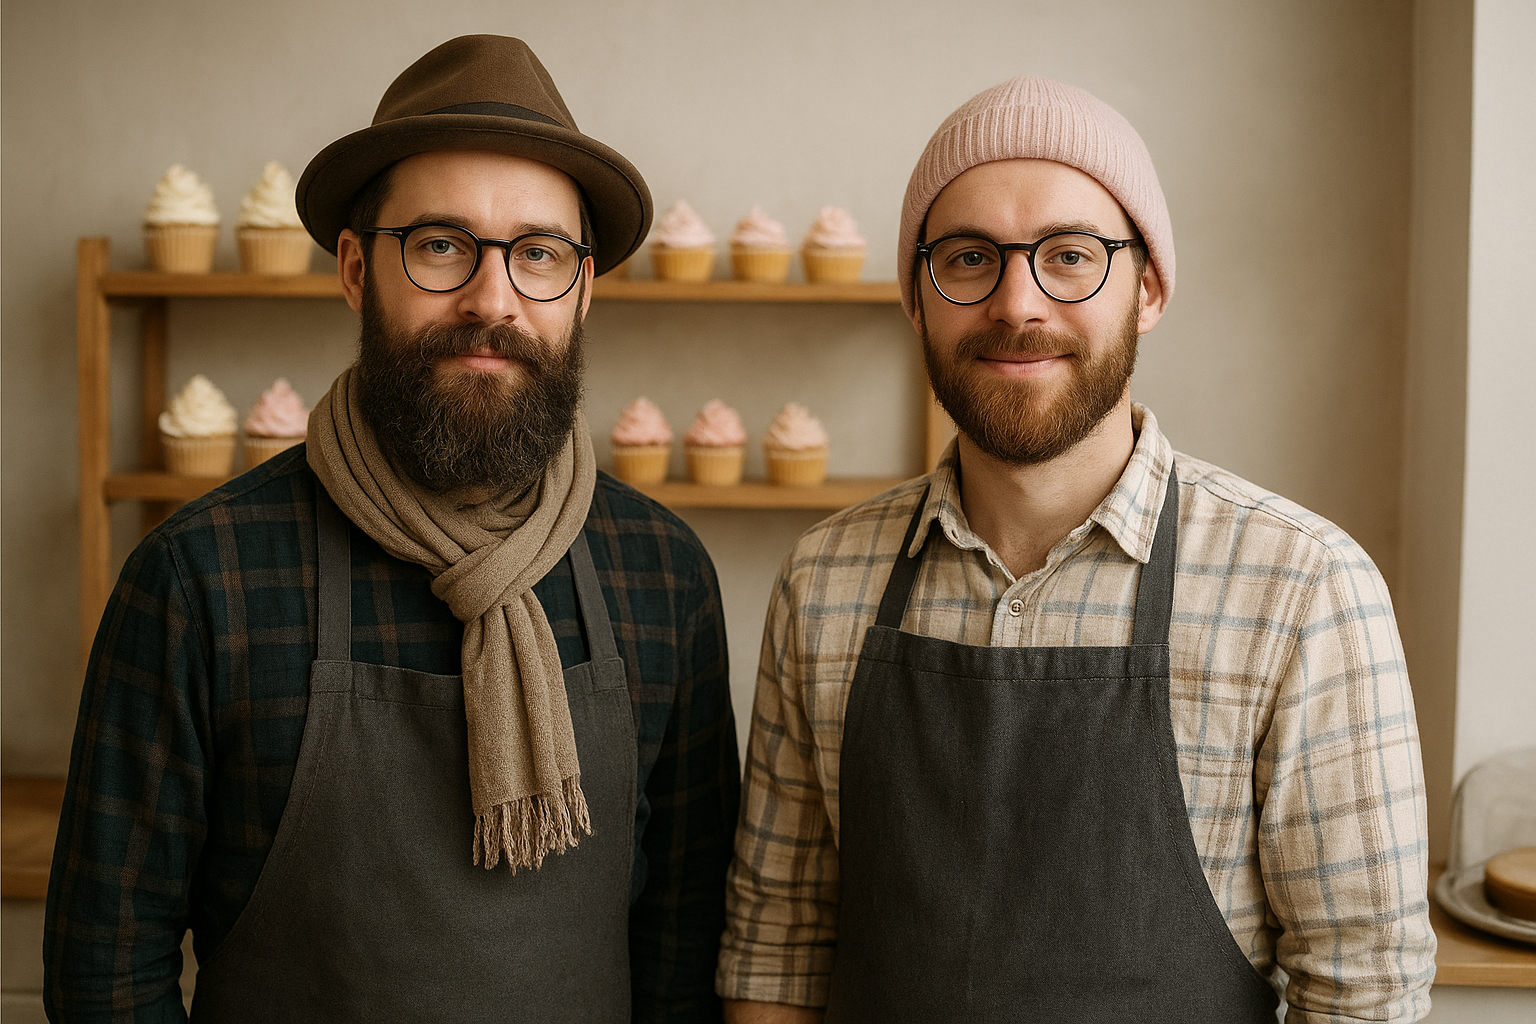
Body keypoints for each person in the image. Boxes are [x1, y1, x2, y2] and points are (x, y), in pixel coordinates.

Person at [46, 35, 739, 1023]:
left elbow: (683, 957)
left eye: (539, 253)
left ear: (585, 289)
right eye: (442, 245)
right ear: (355, 269)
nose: (492, 299)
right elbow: (106, 975)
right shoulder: (200, 580)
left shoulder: (664, 577)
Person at [718, 77, 1434, 1023]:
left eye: (1070, 256)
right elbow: (779, 948)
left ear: (1149, 288)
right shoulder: (823, 582)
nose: (1018, 304)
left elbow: (1364, 994)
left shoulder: (1303, 591)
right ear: (915, 299)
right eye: (970, 258)